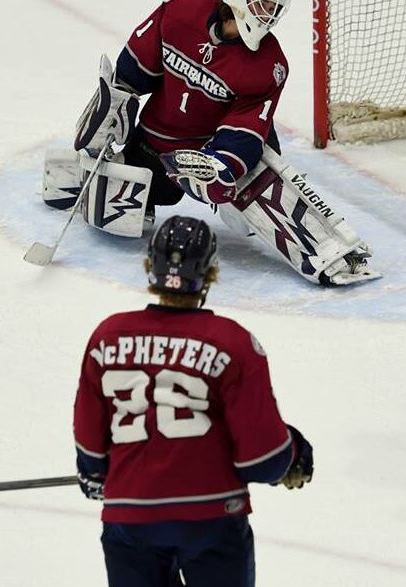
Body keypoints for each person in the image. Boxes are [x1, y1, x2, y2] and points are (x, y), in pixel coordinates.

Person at [58, 0, 377, 286]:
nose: (268, 16)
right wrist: (116, 100)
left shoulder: (269, 64)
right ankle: (81, 174)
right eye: (262, 5)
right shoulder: (185, 7)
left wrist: (220, 167)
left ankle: (329, 252)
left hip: (210, 150)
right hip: (156, 140)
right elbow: (139, 64)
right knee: (116, 211)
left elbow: (246, 130)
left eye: (274, 9)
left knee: (247, 211)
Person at [73, 215, 314, 587]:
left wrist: (94, 472)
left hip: (130, 519)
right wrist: (293, 452)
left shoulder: (107, 336)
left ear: (149, 266)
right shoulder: (232, 343)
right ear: (212, 271)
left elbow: (90, 442)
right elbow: (263, 460)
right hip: (211, 521)